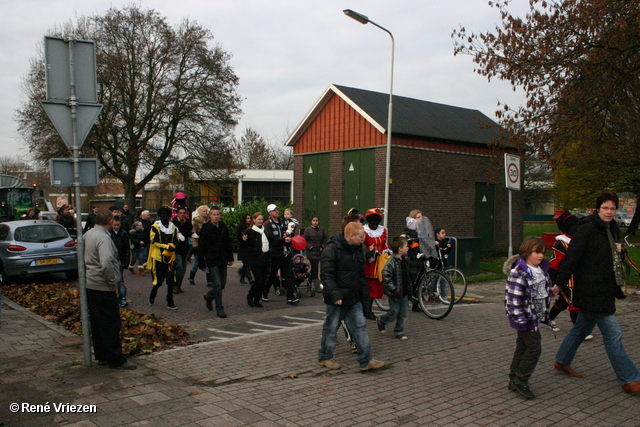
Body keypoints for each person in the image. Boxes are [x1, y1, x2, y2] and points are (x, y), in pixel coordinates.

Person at [554, 191, 640, 394]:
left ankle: (562, 361)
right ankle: (629, 379)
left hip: (605, 289)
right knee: (613, 335)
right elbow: (571, 259)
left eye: (612, 208)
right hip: (592, 291)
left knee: (581, 328)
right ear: (597, 209)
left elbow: (607, 258)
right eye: (605, 208)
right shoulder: (587, 230)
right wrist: (559, 284)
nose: (609, 212)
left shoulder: (610, 229)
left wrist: (617, 251)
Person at [318, 221, 385, 371]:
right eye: (361, 236)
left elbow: (361, 275)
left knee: (360, 326)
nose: (363, 239)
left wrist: (364, 297)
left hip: (353, 296)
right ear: (351, 236)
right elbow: (326, 275)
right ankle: (325, 357)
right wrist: (335, 295)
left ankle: (366, 359)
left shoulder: (359, 249)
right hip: (338, 298)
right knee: (331, 328)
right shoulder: (332, 249)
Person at [84, 209, 136, 370]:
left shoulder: (88, 235)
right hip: (103, 286)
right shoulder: (104, 238)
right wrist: (112, 281)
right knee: (111, 324)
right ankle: (115, 359)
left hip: (90, 284)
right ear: (109, 222)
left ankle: (101, 355)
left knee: (97, 323)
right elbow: (106, 262)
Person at [504, 236, 553, 400]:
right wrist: (521, 319)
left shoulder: (541, 270)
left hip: (535, 316)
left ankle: (513, 378)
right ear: (527, 252)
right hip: (525, 318)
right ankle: (521, 379)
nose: (540, 256)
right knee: (534, 348)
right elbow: (513, 299)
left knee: (523, 347)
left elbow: (541, 291)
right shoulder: (520, 272)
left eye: (542, 253)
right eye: (536, 252)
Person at [546, 211, 589, 337]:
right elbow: (554, 263)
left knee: (564, 301)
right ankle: (580, 331)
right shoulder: (562, 243)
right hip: (567, 278)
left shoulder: (580, 239)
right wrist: (552, 278)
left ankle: (548, 318)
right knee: (574, 302)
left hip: (580, 276)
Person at [199, 206, 234, 318]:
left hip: (222, 259)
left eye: (218, 214)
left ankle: (209, 296)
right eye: (214, 214)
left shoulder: (223, 226)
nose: (216, 217)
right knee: (217, 284)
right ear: (210, 215)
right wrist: (201, 263)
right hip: (212, 259)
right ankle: (219, 308)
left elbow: (228, 242)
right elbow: (201, 246)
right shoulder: (206, 228)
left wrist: (230, 257)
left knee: (222, 284)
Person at [147, 206, 183, 310]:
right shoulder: (155, 227)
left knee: (171, 280)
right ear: (160, 215)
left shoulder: (173, 227)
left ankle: (170, 302)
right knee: (159, 281)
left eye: (167, 214)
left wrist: (174, 245)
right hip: (158, 257)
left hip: (170, 258)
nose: (165, 216)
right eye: (162, 214)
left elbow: (177, 238)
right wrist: (166, 246)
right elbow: (154, 241)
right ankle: (153, 293)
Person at [376, 236, 411, 340]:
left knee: (403, 313)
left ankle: (399, 331)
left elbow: (406, 275)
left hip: (403, 291)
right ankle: (382, 320)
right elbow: (386, 276)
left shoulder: (405, 260)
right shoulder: (391, 262)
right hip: (395, 293)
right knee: (394, 312)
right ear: (400, 249)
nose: (407, 248)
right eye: (406, 246)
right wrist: (393, 289)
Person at [263, 204, 297, 304]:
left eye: (277, 209)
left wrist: (290, 236)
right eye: (274, 210)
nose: (277, 211)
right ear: (269, 212)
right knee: (272, 274)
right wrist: (283, 240)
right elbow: (271, 239)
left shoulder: (283, 222)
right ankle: (264, 292)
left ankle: (290, 297)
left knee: (289, 274)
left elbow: (289, 231)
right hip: (275, 253)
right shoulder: (268, 225)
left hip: (286, 252)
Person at [363, 208, 388, 317]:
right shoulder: (363, 231)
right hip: (368, 264)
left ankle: (368, 310)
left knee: (375, 288)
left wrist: (387, 253)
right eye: (372, 221)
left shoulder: (383, 231)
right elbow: (361, 247)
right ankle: (367, 311)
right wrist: (370, 252)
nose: (374, 224)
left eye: (376, 222)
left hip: (379, 263)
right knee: (369, 287)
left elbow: (384, 245)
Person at [245, 212, 270, 307]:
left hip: (265, 259)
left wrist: (283, 240)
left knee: (263, 281)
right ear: (254, 220)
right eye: (258, 219)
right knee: (259, 280)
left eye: (261, 219)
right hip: (255, 260)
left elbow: (271, 240)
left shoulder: (265, 231)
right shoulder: (250, 232)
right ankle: (250, 295)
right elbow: (246, 246)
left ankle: (257, 299)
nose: (260, 221)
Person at [403, 209, 424, 312]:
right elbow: (405, 241)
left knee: (420, 281)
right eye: (418, 217)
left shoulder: (422, 231)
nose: (421, 219)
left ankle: (416, 303)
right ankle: (406, 301)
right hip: (412, 259)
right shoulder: (409, 231)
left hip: (421, 258)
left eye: (421, 217)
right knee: (411, 281)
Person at [109, 217, 131, 308]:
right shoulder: (109, 234)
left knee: (120, 279)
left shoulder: (123, 234)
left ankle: (122, 297)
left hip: (120, 259)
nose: (116, 227)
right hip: (111, 259)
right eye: (114, 225)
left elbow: (127, 248)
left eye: (118, 225)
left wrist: (126, 262)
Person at [171, 206, 192, 294]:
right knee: (179, 267)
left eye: (184, 213)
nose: (182, 215)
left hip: (185, 248)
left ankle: (178, 285)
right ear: (177, 214)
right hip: (176, 249)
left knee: (183, 269)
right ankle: (175, 285)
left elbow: (190, 232)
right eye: (181, 213)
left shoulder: (187, 222)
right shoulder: (174, 223)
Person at [303, 215, 326, 292]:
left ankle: (309, 281)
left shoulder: (321, 230)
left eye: (316, 220)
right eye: (314, 220)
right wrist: (310, 247)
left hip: (319, 252)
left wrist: (322, 246)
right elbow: (304, 240)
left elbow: (324, 239)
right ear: (311, 221)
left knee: (315, 269)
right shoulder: (308, 230)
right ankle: (317, 286)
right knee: (315, 268)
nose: (315, 222)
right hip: (311, 253)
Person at [188, 205, 209, 286]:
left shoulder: (208, 221)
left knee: (207, 261)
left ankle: (209, 279)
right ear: (200, 212)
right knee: (197, 262)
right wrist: (195, 245)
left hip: (207, 244)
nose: (205, 213)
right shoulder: (195, 221)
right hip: (198, 243)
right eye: (203, 211)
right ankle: (192, 277)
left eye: (206, 211)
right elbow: (193, 234)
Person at [236, 213, 253, 285]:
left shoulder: (251, 227)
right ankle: (250, 279)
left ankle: (242, 277)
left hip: (249, 248)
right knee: (246, 263)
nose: (249, 220)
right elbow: (238, 237)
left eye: (250, 218)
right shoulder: (240, 227)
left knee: (246, 264)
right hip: (243, 247)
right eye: (247, 218)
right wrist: (242, 239)